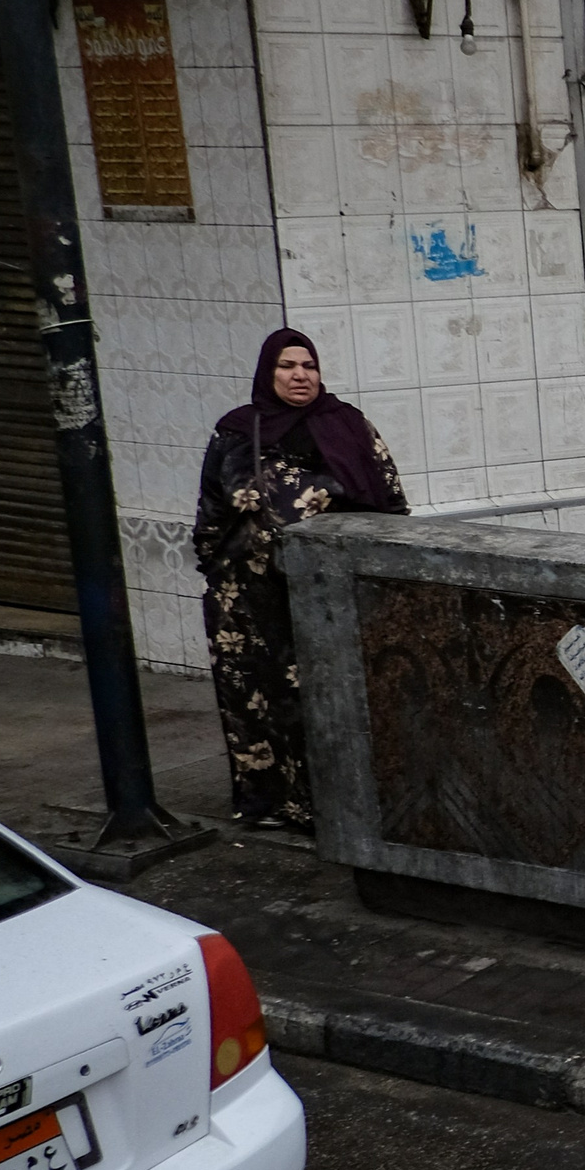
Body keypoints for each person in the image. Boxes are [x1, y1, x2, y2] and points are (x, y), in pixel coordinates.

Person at [193, 328, 407, 832]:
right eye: (287, 366)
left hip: (327, 593)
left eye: (308, 366)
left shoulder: (348, 426)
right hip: (247, 596)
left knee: (326, 697)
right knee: (257, 699)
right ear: (269, 374)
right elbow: (217, 506)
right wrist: (215, 569)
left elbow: (390, 499)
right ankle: (270, 803)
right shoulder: (238, 431)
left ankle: (335, 807)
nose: (299, 375)